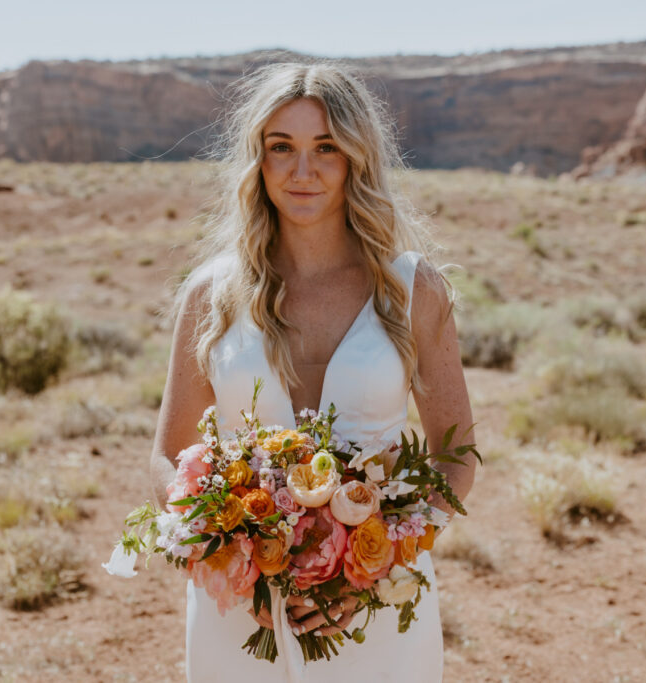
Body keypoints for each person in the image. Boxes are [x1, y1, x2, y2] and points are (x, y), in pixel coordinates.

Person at [149, 61, 476, 683]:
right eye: (282, 148)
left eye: (326, 147)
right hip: (239, 614)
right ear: (258, 161)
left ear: (357, 158)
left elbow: (455, 456)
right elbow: (168, 456)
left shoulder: (411, 290)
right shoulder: (210, 295)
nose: (303, 171)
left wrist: (379, 565)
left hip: (378, 603)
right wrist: (234, 552)